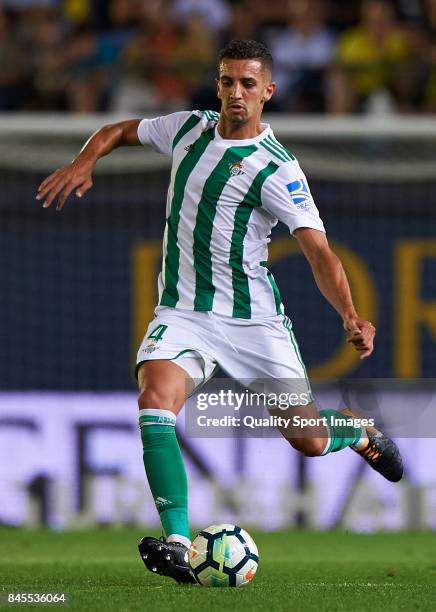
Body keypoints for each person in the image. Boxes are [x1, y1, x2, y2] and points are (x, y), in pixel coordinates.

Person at [37, 39, 403, 585]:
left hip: (253, 322)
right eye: (228, 81)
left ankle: (356, 431)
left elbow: (319, 251)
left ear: (268, 93)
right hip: (183, 312)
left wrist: (350, 315)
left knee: (309, 440)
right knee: (155, 399)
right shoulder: (188, 128)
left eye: (248, 84)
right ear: (218, 84)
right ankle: (179, 544)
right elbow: (119, 130)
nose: (236, 92)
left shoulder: (277, 168)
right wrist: (84, 159)